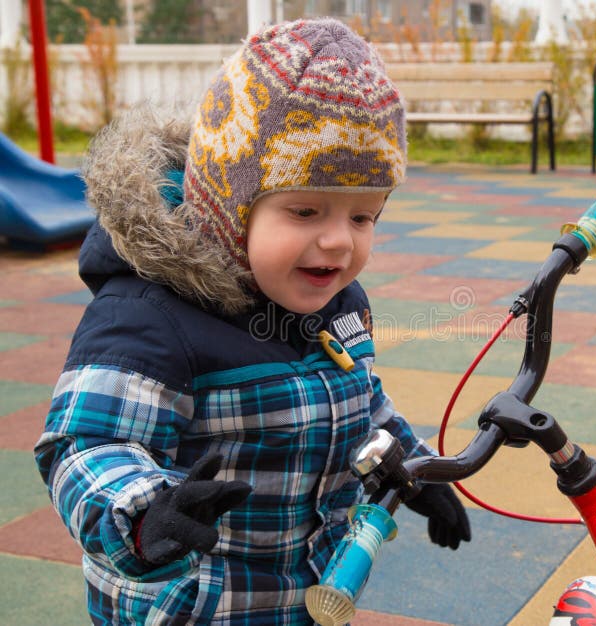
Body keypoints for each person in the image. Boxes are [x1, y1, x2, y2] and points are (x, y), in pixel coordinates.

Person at [35, 18, 470, 625]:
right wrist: (143, 513)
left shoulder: (333, 301)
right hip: (189, 607)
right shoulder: (150, 317)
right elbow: (86, 444)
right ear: (227, 203)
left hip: (299, 600)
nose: (338, 241)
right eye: (305, 209)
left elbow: (361, 402)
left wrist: (413, 468)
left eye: (364, 217)